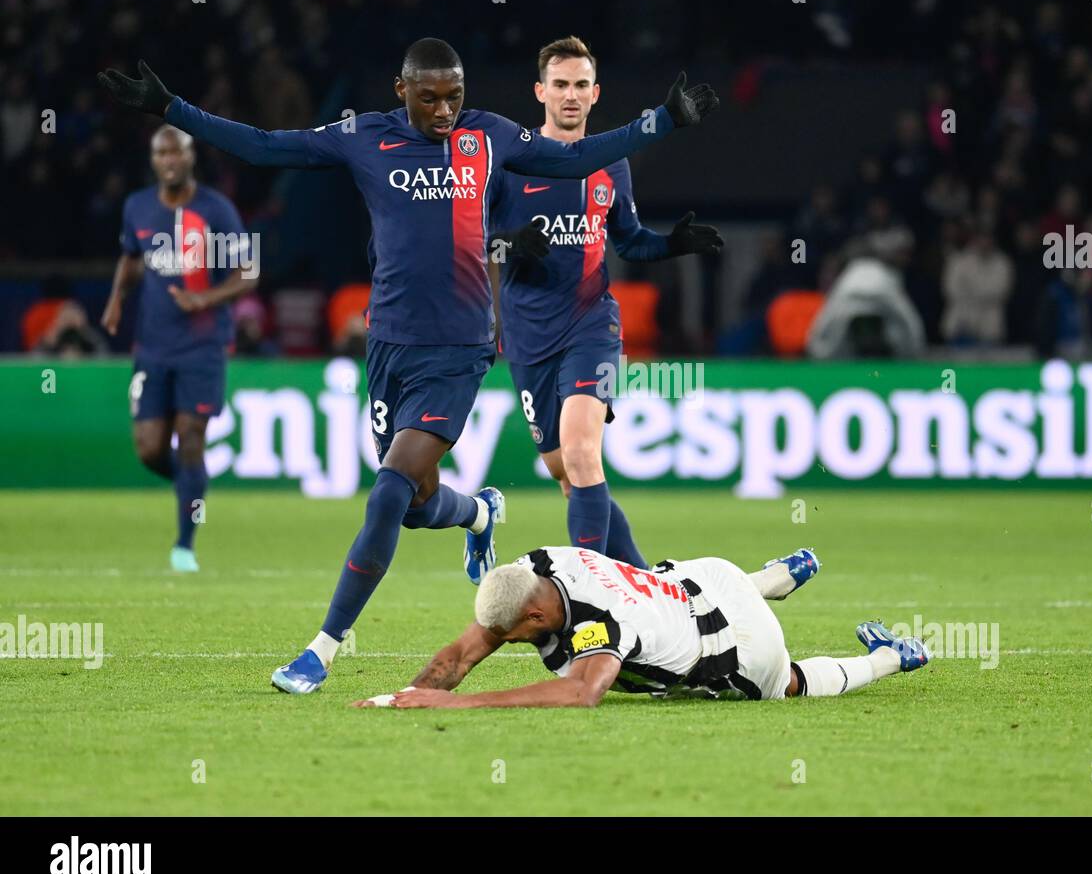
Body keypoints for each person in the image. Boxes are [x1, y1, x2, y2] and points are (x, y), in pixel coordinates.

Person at [99, 38, 718, 694]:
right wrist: (170, 107)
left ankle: (321, 650)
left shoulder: (490, 138)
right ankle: (477, 515)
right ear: (402, 91)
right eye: (430, 98)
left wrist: (662, 120)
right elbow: (263, 145)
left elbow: (578, 157)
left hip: (459, 352)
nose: (446, 109)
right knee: (419, 506)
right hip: (390, 346)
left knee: (390, 489)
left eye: (455, 95)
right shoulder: (364, 137)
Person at [488, 36, 723, 568]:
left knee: (580, 451)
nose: (570, 95)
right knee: (568, 476)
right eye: (560, 85)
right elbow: (475, 241)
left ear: (596, 94)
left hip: (591, 323)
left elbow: (628, 240)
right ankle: (646, 585)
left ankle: (594, 601)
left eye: (580, 86)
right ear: (540, 91)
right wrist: (508, 247)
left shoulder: (610, 166)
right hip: (527, 336)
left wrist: (670, 245)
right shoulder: (509, 165)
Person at [355, 546, 929, 709]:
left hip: (741, 645)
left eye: (513, 636)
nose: (498, 643)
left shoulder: (597, 624)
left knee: (788, 685)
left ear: (535, 616)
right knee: (673, 584)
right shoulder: (537, 569)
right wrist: (411, 692)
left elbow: (583, 692)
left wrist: (460, 705)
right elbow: (462, 652)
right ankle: (778, 576)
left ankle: (890, 658)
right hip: (710, 575)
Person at [100, 124, 257, 572]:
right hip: (152, 347)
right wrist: (116, 299)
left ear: (190, 158)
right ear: (154, 160)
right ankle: (194, 486)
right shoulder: (137, 207)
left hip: (203, 347)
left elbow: (249, 272)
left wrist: (204, 298)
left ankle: (184, 545)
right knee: (149, 448)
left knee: (191, 438)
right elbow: (132, 259)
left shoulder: (215, 210)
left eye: (177, 153)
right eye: (161, 154)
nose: (170, 161)